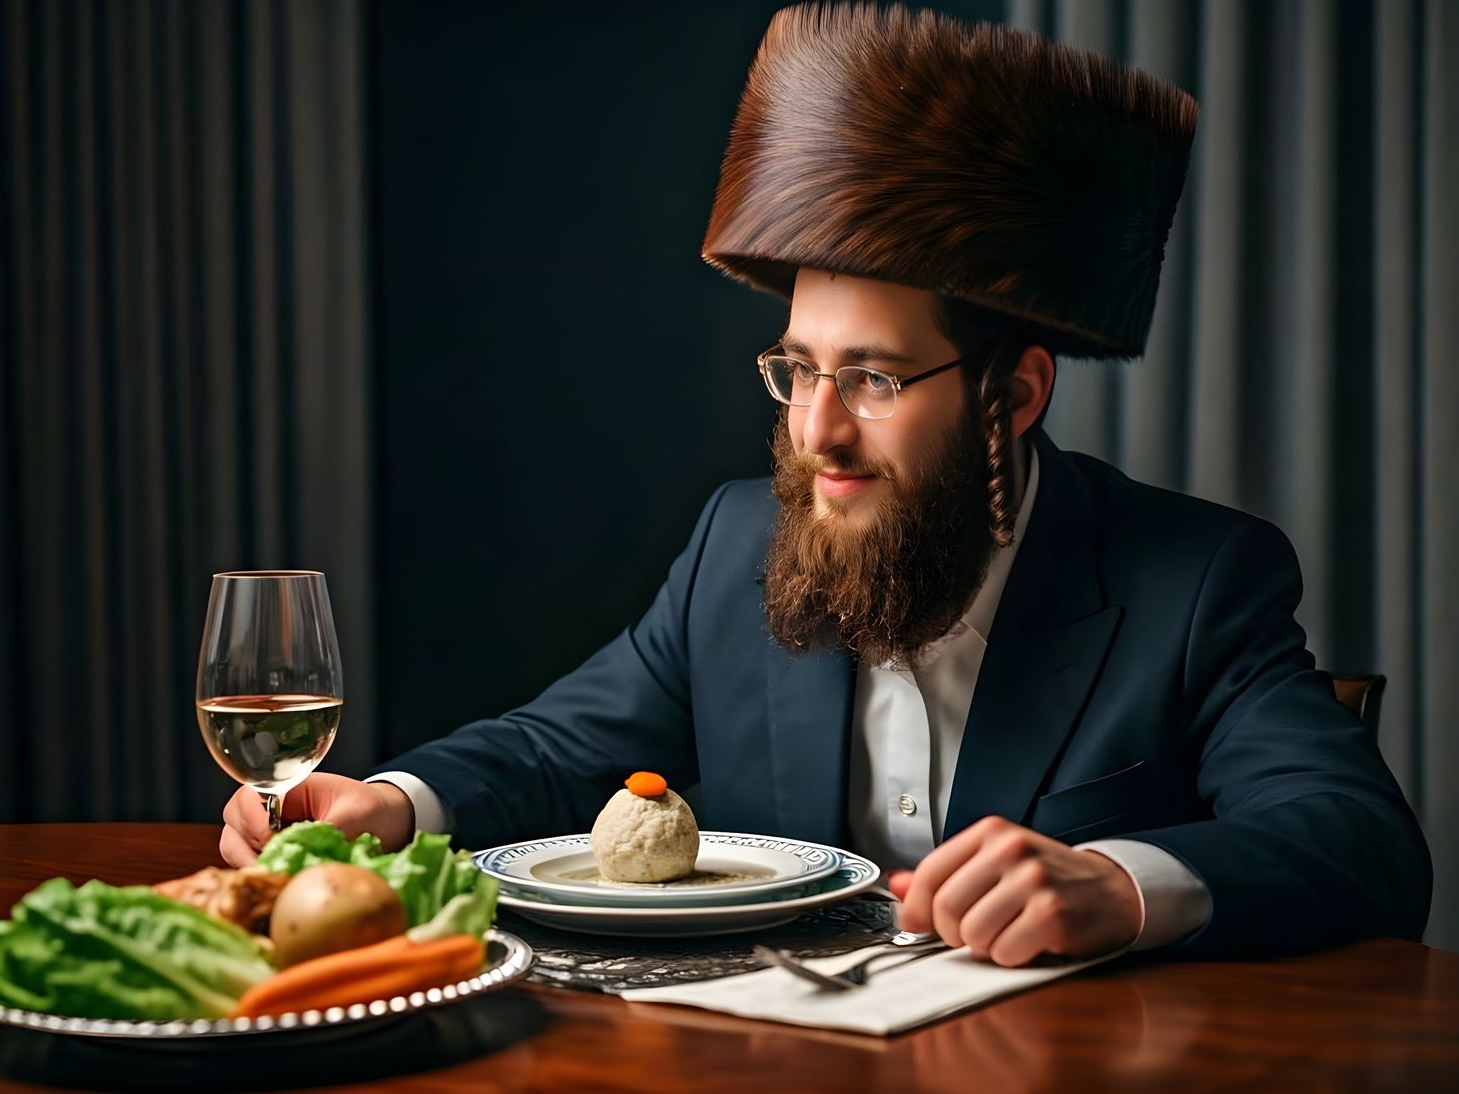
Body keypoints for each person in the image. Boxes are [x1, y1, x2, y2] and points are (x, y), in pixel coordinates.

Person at [221, 4, 1431, 965]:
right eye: (796, 369)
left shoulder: (1194, 582)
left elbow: (1359, 840)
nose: (816, 432)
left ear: (1013, 396)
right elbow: (555, 746)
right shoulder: (737, 541)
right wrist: (394, 802)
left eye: (874, 379)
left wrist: (1120, 881)